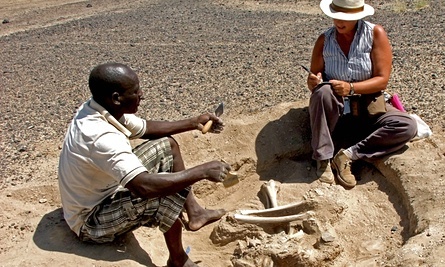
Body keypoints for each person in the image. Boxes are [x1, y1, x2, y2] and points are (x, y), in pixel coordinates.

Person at [58, 62, 230, 267]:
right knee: (164, 191)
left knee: (168, 145)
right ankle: (178, 259)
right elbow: (144, 187)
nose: (142, 95)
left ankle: (195, 213)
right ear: (116, 98)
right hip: (91, 219)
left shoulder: (103, 108)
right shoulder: (100, 136)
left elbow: (145, 128)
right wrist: (202, 171)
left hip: (103, 190)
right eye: (136, 91)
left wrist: (194, 122)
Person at [306, 0, 417, 188]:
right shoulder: (324, 40)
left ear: (358, 16)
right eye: (336, 16)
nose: (339, 22)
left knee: (406, 126)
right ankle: (323, 159)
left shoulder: (375, 34)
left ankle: (347, 156)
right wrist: (313, 82)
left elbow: (382, 79)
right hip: (337, 113)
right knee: (323, 91)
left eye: (345, 18)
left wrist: (352, 87)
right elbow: (315, 80)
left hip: (368, 109)